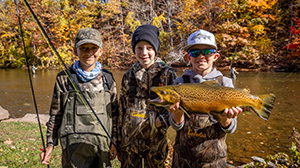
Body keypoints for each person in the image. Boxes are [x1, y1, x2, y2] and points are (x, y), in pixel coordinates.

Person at [40, 28, 118, 168]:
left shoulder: (108, 78)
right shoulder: (64, 78)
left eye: (94, 48)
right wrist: (50, 144)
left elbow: (115, 113)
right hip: (73, 149)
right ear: (76, 51)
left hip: (102, 146)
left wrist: (115, 141)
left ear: (100, 51)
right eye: (83, 48)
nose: (89, 52)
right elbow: (55, 114)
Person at [168, 29, 243, 168]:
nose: (201, 56)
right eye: (195, 53)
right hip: (182, 161)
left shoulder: (225, 83)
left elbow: (230, 129)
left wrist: (226, 118)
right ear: (187, 57)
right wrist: (177, 113)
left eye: (207, 52)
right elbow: (175, 126)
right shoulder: (179, 83)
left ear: (215, 56)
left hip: (214, 163)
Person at [113, 24, 177, 168]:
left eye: (149, 48)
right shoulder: (128, 75)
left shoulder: (168, 74)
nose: (144, 52)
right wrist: (116, 139)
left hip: (155, 145)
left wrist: (159, 121)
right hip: (129, 145)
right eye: (139, 48)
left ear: (156, 49)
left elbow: (176, 109)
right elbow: (121, 110)